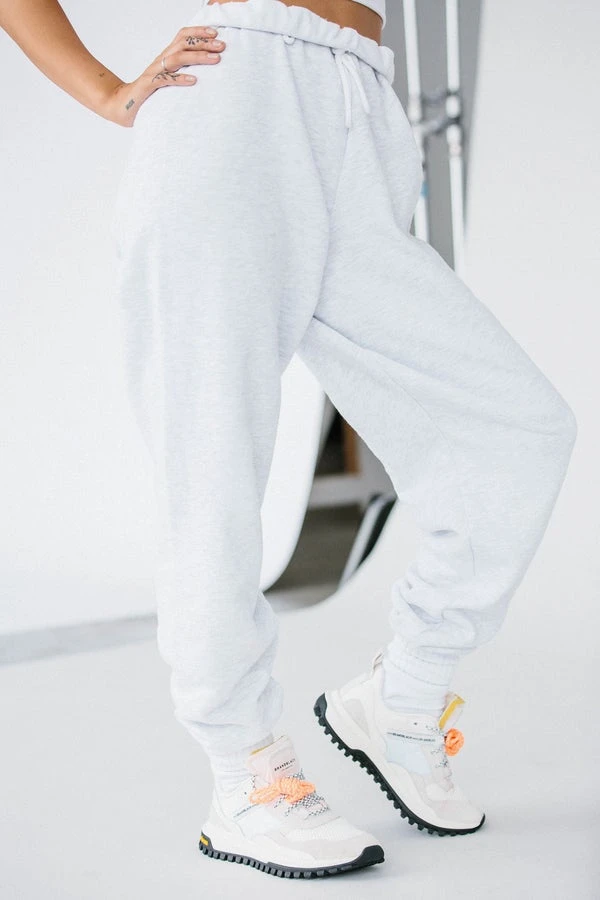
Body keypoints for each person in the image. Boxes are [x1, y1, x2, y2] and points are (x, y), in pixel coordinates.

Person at [2, 0, 577, 881]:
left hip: (364, 107)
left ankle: (402, 700)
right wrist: (110, 92)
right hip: (236, 99)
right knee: (214, 464)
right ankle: (247, 774)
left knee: (518, 429)